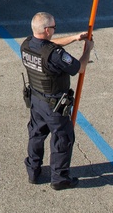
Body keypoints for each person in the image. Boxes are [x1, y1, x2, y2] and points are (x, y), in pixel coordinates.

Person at [21, 11, 93, 189]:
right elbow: (80, 67)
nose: (54, 30)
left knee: (36, 135)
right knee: (62, 139)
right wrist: (88, 49)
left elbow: (48, 45)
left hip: (36, 101)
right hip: (54, 105)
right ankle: (60, 179)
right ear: (46, 30)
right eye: (54, 27)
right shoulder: (55, 55)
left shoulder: (27, 44)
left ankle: (33, 170)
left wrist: (75, 38)